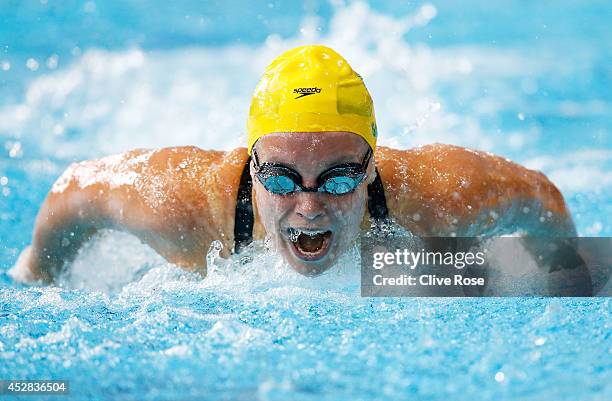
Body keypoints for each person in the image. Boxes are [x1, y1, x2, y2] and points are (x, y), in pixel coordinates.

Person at [9, 45, 581, 285]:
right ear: (252, 162)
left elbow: (543, 199)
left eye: (338, 176)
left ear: (372, 166)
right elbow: (71, 189)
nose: (309, 206)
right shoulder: (181, 207)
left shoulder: (441, 196)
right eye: (281, 178)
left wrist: (565, 269)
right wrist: (36, 273)